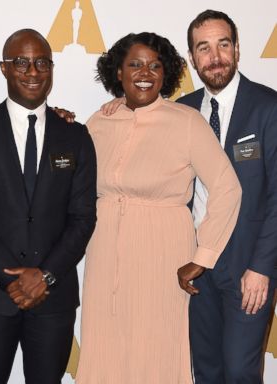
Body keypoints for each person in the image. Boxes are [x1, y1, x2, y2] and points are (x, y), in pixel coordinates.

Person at [75, 32, 241, 384]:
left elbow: (228, 187)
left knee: (158, 353)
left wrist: (203, 255)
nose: (144, 72)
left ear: (166, 74)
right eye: (134, 64)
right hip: (105, 256)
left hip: (163, 256)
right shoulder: (98, 122)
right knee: (104, 350)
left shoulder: (187, 122)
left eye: (154, 65)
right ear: (117, 72)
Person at [0, 29, 96, 384]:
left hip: (52, 301)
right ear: (4, 68)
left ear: (51, 68)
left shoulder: (75, 135)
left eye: (41, 62)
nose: (32, 71)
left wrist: (45, 276)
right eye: (21, 62)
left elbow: (83, 218)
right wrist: (11, 279)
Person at [176, 10, 277, 384]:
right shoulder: (182, 111)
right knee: (207, 370)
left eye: (223, 45)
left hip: (248, 268)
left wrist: (263, 267)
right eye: (204, 48)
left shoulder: (268, 107)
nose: (215, 57)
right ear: (191, 58)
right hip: (196, 266)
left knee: (239, 372)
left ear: (237, 49)